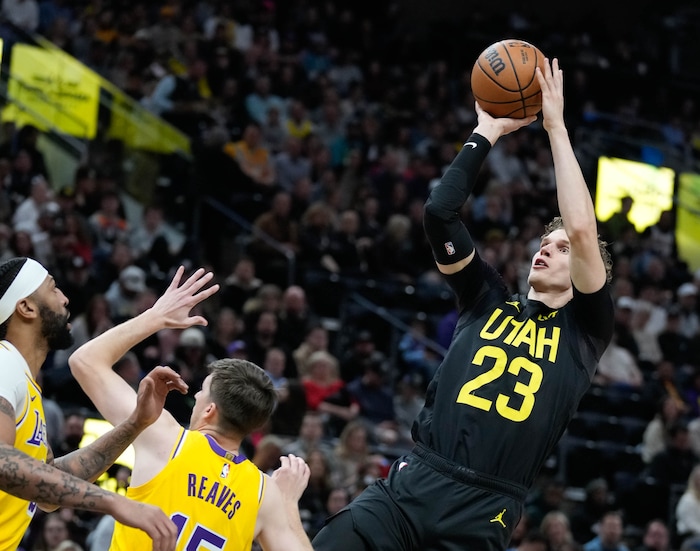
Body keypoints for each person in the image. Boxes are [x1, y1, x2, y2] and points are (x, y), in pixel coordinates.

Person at [312, 58, 614, 550]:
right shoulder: (486, 299)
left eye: (561, 250)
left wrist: (555, 127)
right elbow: (439, 213)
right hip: (413, 482)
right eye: (545, 242)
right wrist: (486, 131)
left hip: (483, 510)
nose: (547, 248)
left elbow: (582, 231)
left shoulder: (585, 329)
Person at [68, 266, 314, 550]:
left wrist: (155, 317)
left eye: (201, 393)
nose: (196, 398)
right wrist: (287, 505)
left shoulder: (165, 438)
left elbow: (85, 362)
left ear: (210, 411)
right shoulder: (264, 493)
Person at [0, 256, 178, 551]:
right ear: (26, 307)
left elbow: (48, 488)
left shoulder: (22, 380)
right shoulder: (4, 363)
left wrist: (135, 423)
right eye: (53, 289)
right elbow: (3, 462)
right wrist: (114, 502)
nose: (65, 298)